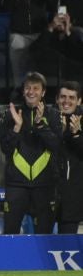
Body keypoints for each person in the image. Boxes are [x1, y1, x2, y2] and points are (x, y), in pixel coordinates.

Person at [0, 72, 62, 234]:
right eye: (28, 88)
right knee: (10, 234)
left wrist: (41, 125)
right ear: (23, 91)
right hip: (16, 185)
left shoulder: (54, 115)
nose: (31, 92)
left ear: (43, 92)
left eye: (36, 88)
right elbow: (5, 148)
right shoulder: (11, 114)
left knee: (44, 236)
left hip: (44, 185)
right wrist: (17, 128)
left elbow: (57, 146)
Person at [55, 82, 83, 234]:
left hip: (72, 198)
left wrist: (76, 134)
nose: (67, 101)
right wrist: (59, 132)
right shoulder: (47, 120)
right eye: (63, 97)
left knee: (67, 245)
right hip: (47, 194)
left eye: (72, 97)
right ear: (57, 99)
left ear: (79, 101)